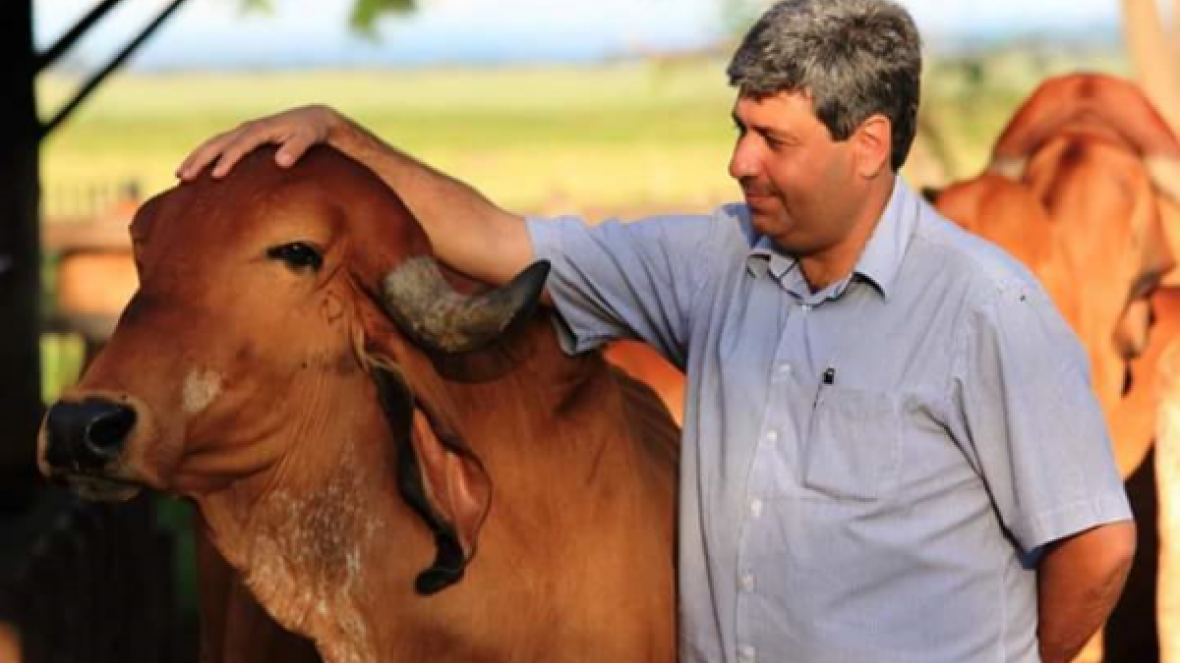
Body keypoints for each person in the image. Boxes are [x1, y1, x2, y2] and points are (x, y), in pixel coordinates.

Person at [176, 1, 1136, 661]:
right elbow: (498, 239)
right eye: (739, 127)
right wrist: (342, 140)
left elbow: (1094, 546)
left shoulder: (987, 311)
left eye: (775, 140)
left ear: (870, 146)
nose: (739, 162)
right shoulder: (713, 268)